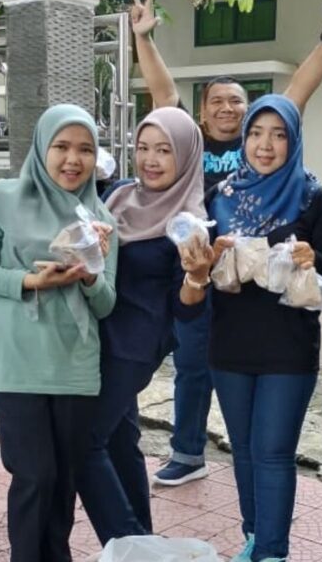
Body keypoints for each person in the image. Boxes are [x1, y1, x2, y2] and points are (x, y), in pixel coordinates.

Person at [131, 0, 322, 487]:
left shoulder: (263, 145)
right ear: (203, 111)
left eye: (237, 101)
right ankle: (188, 451)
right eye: (217, 101)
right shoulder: (192, 147)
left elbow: (297, 93)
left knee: (246, 390)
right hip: (205, 270)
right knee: (192, 366)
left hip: (261, 288)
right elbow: (164, 98)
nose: (228, 108)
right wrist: (143, 39)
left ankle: (256, 473)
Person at [0, 104, 118, 562]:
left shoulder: (99, 217)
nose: (73, 159)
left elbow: (106, 304)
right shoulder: (3, 197)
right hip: (17, 361)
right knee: (34, 475)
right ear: (42, 147)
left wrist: (90, 273)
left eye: (85, 149)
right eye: (62, 146)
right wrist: (31, 280)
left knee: (64, 480)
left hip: (74, 363)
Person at [204, 94, 322, 562]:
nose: (265, 145)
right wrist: (205, 257)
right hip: (229, 346)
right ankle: (254, 536)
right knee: (243, 451)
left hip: (288, 349)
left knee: (272, 452)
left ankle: (272, 551)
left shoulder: (312, 198)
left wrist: (313, 256)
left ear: (294, 140)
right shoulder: (221, 196)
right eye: (255, 133)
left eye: (278, 134)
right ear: (244, 138)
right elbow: (198, 271)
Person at [76, 107, 212, 543]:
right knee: (120, 440)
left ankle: (128, 544)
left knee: (82, 443)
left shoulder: (188, 222)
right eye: (143, 148)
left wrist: (196, 277)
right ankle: (144, 541)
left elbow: (185, 310)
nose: (150, 160)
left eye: (164, 151)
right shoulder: (118, 196)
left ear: (186, 156)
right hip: (97, 333)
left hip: (134, 345)